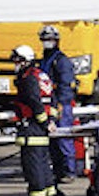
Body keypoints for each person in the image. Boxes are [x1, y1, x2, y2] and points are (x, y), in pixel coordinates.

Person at [11, 43, 58, 196]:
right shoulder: (41, 75)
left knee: (33, 165)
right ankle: (50, 195)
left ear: (25, 61)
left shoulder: (28, 78)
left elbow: (34, 101)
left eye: (17, 61)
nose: (15, 64)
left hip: (32, 126)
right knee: (43, 163)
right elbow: (52, 100)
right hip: (41, 126)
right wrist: (50, 120)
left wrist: (43, 122)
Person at [38, 25, 80, 182]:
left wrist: (62, 103)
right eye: (44, 40)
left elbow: (66, 84)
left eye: (50, 39)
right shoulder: (44, 60)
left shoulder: (61, 60)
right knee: (53, 141)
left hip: (62, 104)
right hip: (49, 104)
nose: (47, 42)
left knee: (63, 137)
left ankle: (70, 170)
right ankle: (58, 170)